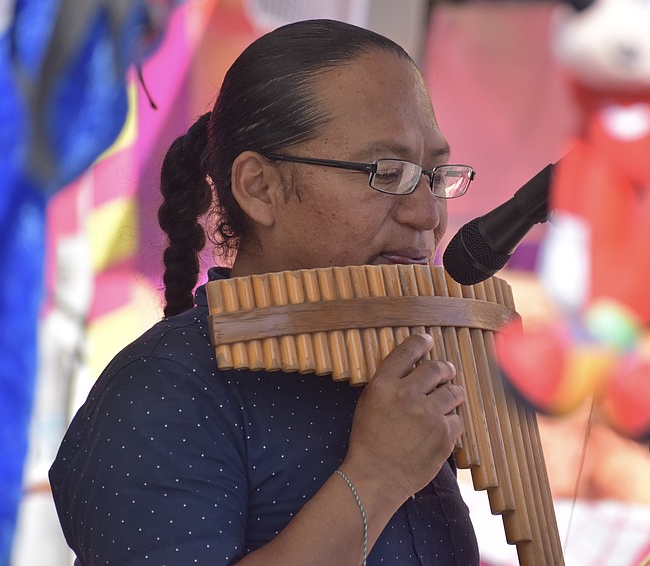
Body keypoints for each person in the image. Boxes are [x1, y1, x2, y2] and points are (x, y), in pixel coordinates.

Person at [49, 19, 480, 565]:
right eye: (386, 172)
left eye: (434, 174)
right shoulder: (161, 392)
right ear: (260, 188)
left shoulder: (401, 367)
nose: (426, 214)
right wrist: (378, 477)